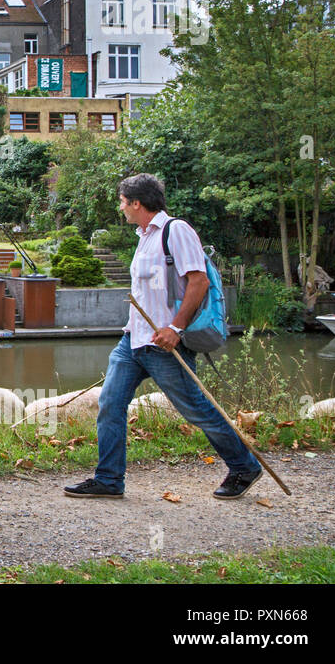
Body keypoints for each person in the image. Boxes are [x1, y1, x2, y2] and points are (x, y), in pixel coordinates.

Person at [63, 173, 263, 500]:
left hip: (165, 345)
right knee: (110, 404)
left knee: (196, 410)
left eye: (123, 201)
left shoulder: (176, 231)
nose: (121, 207)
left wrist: (176, 328)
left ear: (137, 203)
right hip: (133, 342)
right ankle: (109, 479)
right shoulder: (144, 236)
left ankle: (244, 466)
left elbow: (199, 282)